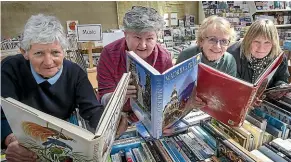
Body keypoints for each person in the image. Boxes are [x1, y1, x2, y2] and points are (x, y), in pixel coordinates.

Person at [1, 14, 127, 162]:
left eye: (55, 53)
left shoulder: (75, 73)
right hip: (25, 143)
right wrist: (10, 140)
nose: (48, 62)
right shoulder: (11, 68)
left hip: (61, 139)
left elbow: (91, 110)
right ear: (25, 53)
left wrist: (111, 123)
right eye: (39, 53)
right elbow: (3, 112)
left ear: (64, 51)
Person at [97, 6, 173, 114]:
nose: (143, 45)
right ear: (126, 34)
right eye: (137, 37)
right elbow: (103, 99)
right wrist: (117, 96)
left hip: (152, 114)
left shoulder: (164, 57)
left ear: (157, 37)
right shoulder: (108, 54)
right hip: (119, 114)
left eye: (149, 38)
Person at [227, 19, 290, 102]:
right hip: (236, 102)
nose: (261, 48)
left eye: (267, 42)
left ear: (274, 43)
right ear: (248, 41)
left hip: (265, 103)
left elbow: (281, 79)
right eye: (256, 41)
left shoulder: (279, 57)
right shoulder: (232, 55)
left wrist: (281, 87)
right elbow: (229, 86)